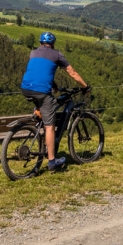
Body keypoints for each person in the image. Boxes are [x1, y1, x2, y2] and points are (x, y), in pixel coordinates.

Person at [20, 31, 89, 171]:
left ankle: (38, 112)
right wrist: (85, 86)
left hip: (26, 88)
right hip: (41, 91)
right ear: (53, 44)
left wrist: (54, 85)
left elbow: (40, 71)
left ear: (40, 43)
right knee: (49, 126)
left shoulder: (33, 53)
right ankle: (52, 161)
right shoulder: (57, 54)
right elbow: (72, 73)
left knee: (43, 105)